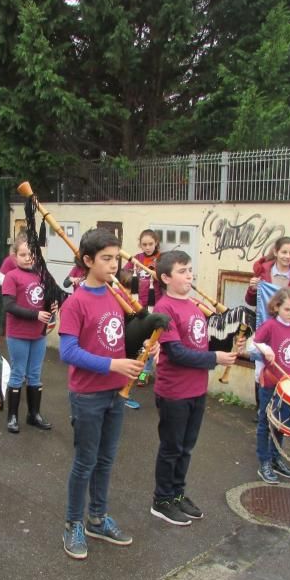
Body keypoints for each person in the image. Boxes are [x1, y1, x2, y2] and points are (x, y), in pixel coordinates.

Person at [58, 228, 145, 560]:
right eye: (106, 259)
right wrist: (114, 365)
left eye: (116, 258)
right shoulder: (76, 301)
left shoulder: (115, 294)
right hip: (88, 396)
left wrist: (144, 342)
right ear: (88, 261)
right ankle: (72, 523)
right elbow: (69, 352)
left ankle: (97, 517)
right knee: (85, 462)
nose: (113, 264)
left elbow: (119, 338)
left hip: (114, 394)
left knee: (106, 461)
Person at [150, 250, 236, 525]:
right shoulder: (165, 308)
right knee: (172, 447)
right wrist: (214, 359)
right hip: (174, 391)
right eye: (183, 271)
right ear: (166, 277)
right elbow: (176, 352)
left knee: (186, 447)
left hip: (197, 389)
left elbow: (202, 342)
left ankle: (177, 494)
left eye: (190, 270)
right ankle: (161, 500)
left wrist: (231, 339)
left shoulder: (194, 304)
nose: (190, 275)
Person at [250, 287, 290, 485]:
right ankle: (264, 462)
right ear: (277, 307)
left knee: (281, 424)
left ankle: (276, 459)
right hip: (270, 382)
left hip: (287, 384)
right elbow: (254, 343)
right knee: (265, 424)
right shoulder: (270, 325)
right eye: (287, 309)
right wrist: (266, 350)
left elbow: (289, 351)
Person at [1, 236, 53, 434]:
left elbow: (47, 299)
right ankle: (12, 416)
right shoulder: (11, 277)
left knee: (35, 374)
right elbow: (9, 306)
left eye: (31, 254)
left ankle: (34, 414)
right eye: (22, 254)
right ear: (14, 256)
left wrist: (52, 306)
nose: (28, 258)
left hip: (38, 334)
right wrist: (36, 314)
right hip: (18, 333)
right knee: (18, 372)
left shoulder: (42, 275)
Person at [130, 229, 162, 389]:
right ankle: (135, 368)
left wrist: (154, 271)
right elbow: (125, 274)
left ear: (156, 243)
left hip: (155, 306)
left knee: (151, 340)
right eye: (144, 244)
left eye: (150, 244)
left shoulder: (161, 259)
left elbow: (165, 278)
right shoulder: (137, 259)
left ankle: (146, 371)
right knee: (138, 337)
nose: (148, 247)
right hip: (138, 305)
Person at [244, 236, 290, 306]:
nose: (288, 256)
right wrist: (253, 289)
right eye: (284, 252)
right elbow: (250, 302)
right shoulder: (262, 271)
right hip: (264, 316)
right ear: (275, 253)